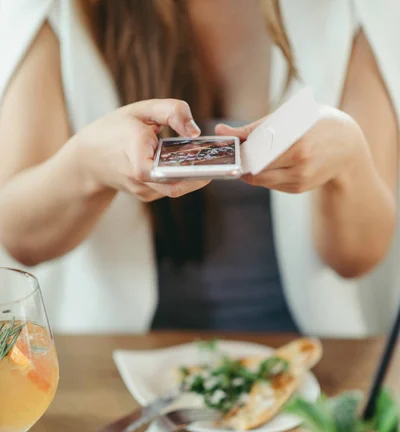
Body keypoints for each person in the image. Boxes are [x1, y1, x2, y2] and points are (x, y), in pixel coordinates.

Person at [0, 0, 398, 336]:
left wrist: (348, 160)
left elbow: (356, 258)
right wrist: (86, 165)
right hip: (117, 359)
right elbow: (20, 238)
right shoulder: (55, 10)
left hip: (305, 357)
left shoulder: (357, 9)